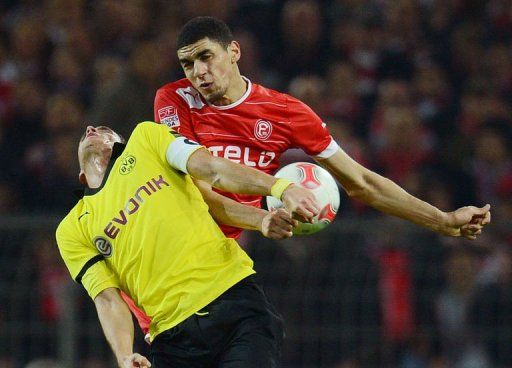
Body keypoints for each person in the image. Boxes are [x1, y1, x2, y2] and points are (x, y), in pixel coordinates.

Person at [117, 16, 492, 341]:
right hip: (160, 260)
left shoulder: (284, 112)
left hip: (214, 268)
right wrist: (264, 216)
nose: (198, 72)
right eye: (187, 64)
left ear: (234, 51)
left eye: (205, 56)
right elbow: (201, 195)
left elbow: (361, 182)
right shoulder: (174, 100)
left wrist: (441, 220)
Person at [56, 122, 320, 367]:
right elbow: (107, 298)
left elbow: (212, 171)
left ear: (120, 144)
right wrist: (124, 355)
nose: (91, 128)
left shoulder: (146, 139)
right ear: (80, 175)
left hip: (232, 301)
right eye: (85, 134)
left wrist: (279, 190)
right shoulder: (73, 229)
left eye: (103, 129)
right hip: (171, 338)